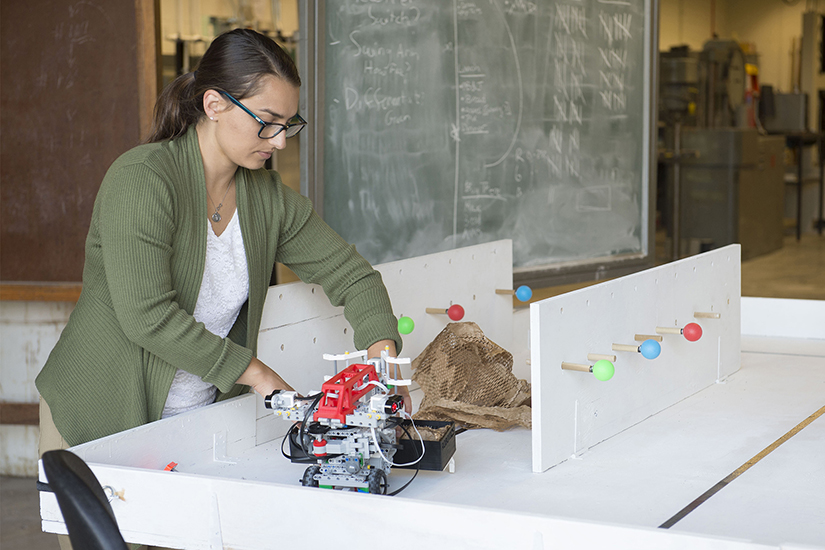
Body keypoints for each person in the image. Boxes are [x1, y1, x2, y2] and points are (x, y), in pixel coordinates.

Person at [36, 28, 408, 547]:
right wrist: (255, 373)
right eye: (267, 123)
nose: (279, 142)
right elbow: (147, 315)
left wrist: (383, 366)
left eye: (289, 125)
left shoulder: (269, 199)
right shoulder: (143, 180)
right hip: (103, 418)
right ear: (214, 104)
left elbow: (355, 277)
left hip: (197, 427)